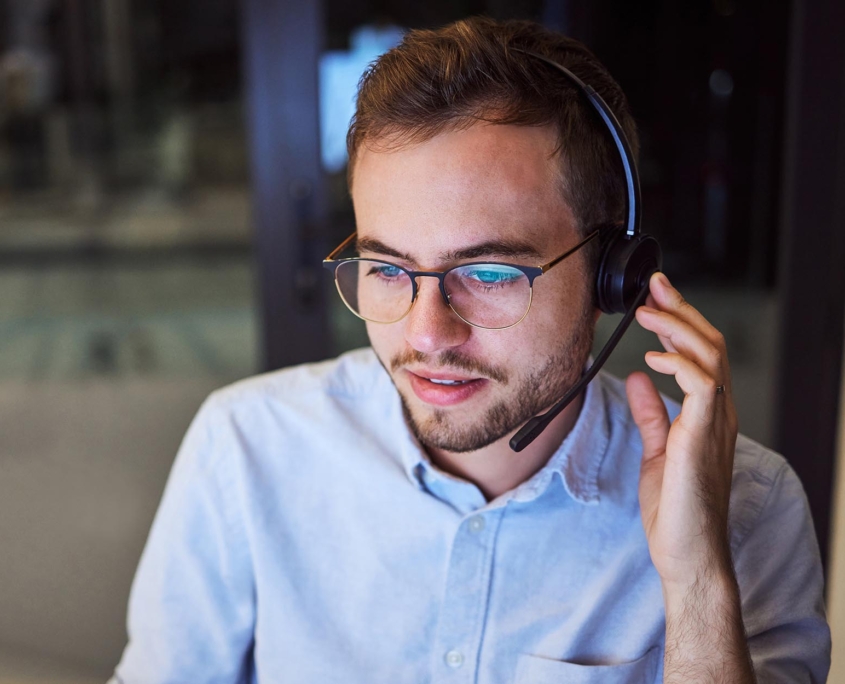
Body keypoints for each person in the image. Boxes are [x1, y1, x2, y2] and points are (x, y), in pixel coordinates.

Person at [111, 17, 830, 684]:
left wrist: (696, 578)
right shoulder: (246, 448)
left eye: (488, 274)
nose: (426, 335)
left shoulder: (746, 508)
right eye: (388, 269)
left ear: (613, 276)